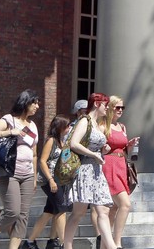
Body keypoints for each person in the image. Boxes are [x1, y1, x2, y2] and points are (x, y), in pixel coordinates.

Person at [0, 90, 41, 249]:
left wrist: (34, 177)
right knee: (12, 212)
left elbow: (34, 154)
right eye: (34, 103)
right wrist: (9, 132)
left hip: (28, 175)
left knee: (23, 216)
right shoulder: (9, 120)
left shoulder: (33, 125)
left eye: (37, 103)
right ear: (25, 103)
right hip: (9, 174)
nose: (37, 106)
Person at [62, 92, 117, 249]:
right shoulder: (84, 121)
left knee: (103, 211)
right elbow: (73, 143)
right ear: (97, 104)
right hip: (85, 171)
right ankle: (67, 246)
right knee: (77, 214)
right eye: (106, 105)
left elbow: (93, 145)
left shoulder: (96, 122)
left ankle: (112, 247)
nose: (107, 109)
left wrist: (103, 149)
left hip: (96, 171)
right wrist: (94, 153)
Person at [24, 115, 73, 249]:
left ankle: (29, 242)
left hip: (60, 180)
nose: (69, 128)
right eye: (67, 126)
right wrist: (51, 180)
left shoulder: (62, 141)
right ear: (60, 127)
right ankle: (64, 244)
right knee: (61, 210)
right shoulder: (51, 140)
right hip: (49, 180)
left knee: (49, 212)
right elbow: (42, 161)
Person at [103, 95, 140, 249]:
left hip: (121, 164)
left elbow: (123, 150)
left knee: (114, 208)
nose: (120, 110)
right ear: (109, 107)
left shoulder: (122, 127)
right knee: (125, 204)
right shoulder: (103, 125)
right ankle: (117, 243)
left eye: (122, 107)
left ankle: (105, 245)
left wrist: (130, 145)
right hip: (108, 164)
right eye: (117, 107)